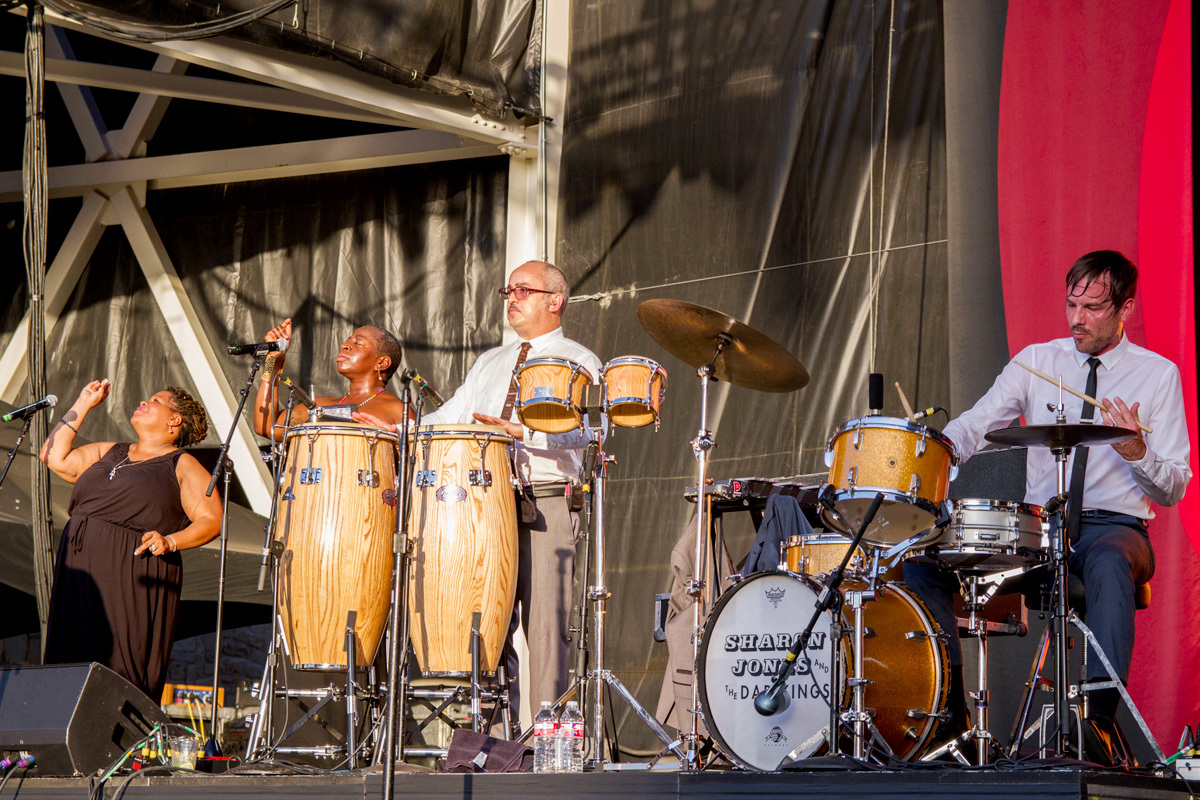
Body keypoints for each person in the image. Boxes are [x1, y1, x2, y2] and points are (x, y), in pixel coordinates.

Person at [903, 250, 1191, 753]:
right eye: (1071, 304)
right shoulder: (1037, 363)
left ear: (1125, 308)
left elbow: (1172, 489)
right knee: (924, 563)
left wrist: (1138, 453)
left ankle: (1097, 723)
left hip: (1115, 528)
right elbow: (978, 423)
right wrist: (937, 451)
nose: (1077, 319)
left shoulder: (1157, 375)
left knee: (1108, 561)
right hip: (1041, 532)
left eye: (1093, 308)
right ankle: (949, 720)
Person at [360, 260, 602, 723]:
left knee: (545, 627)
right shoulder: (490, 361)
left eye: (524, 290)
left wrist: (525, 433)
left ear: (556, 301)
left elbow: (595, 432)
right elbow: (450, 415)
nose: (512, 298)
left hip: (544, 499)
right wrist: (401, 430)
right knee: (485, 621)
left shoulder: (579, 360)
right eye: (508, 291)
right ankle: (490, 741)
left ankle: (546, 737)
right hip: (483, 504)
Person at [40, 380, 223, 701]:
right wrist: (84, 403)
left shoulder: (181, 464)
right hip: (78, 570)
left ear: (174, 419)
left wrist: (171, 541)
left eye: (155, 400)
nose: (144, 401)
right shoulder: (109, 451)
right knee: (68, 661)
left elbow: (212, 520)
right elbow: (53, 456)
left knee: (116, 665)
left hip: (128, 572)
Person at [252, 320, 409, 438]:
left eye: (358, 343)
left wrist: (395, 440)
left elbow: (416, 461)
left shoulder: (398, 410)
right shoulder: (319, 406)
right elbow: (266, 427)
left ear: (382, 363)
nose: (344, 345)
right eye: (348, 340)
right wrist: (275, 362)